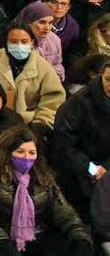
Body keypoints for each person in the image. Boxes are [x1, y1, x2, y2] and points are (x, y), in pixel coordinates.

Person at [0, 125, 93, 256]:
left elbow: (64, 212)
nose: (26, 157)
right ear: (7, 152)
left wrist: (80, 237)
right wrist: (1, 241)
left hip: (36, 235)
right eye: (20, 152)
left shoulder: (42, 175)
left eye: (32, 153)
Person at [0, 23, 66, 135]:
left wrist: (40, 123)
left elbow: (53, 100)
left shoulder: (43, 67)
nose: (19, 45)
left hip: (27, 125)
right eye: (13, 42)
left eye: (24, 41)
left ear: (32, 43)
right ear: (6, 43)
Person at [50, 57, 110, 212]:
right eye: (108, 79)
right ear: (100, 77)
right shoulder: (77, 104)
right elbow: (64, 146)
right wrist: (92, 169)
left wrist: (106, 167)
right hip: (80, 169)